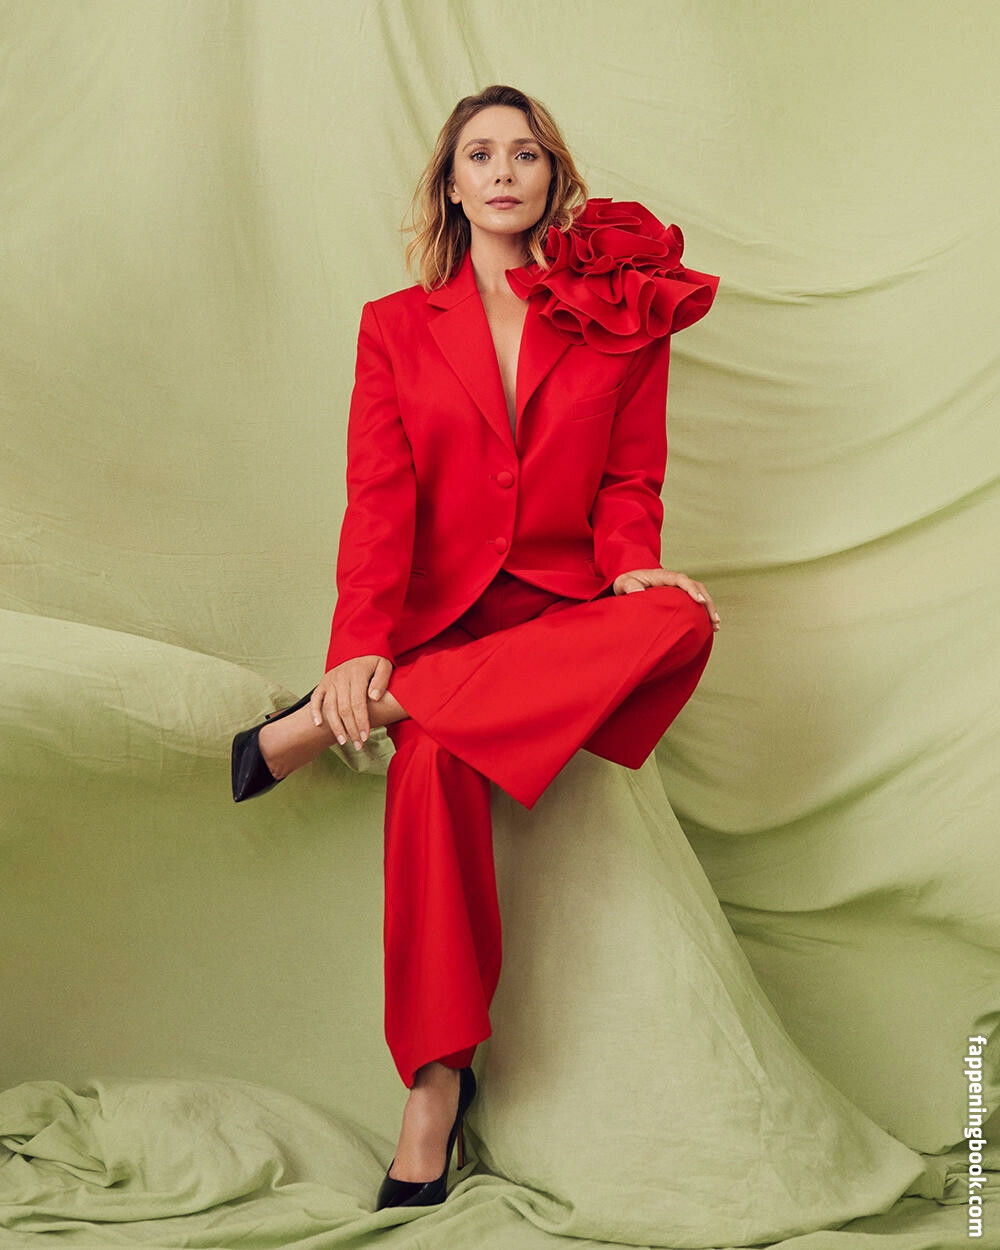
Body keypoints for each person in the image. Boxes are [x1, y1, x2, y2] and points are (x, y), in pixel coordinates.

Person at [230, 84, 720, 1211]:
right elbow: (379, 500)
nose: (504, 171)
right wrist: (359, 644)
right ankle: (434, 1088)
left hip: (564, 618)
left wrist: (631, 563)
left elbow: (629, 477)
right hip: (445, 622)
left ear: (553, 178)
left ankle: (341, 721)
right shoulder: (394, 326)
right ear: (451, 185)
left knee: (684, 616)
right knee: (431, 773)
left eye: (526, 154)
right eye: (481, 155)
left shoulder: (617, 315)